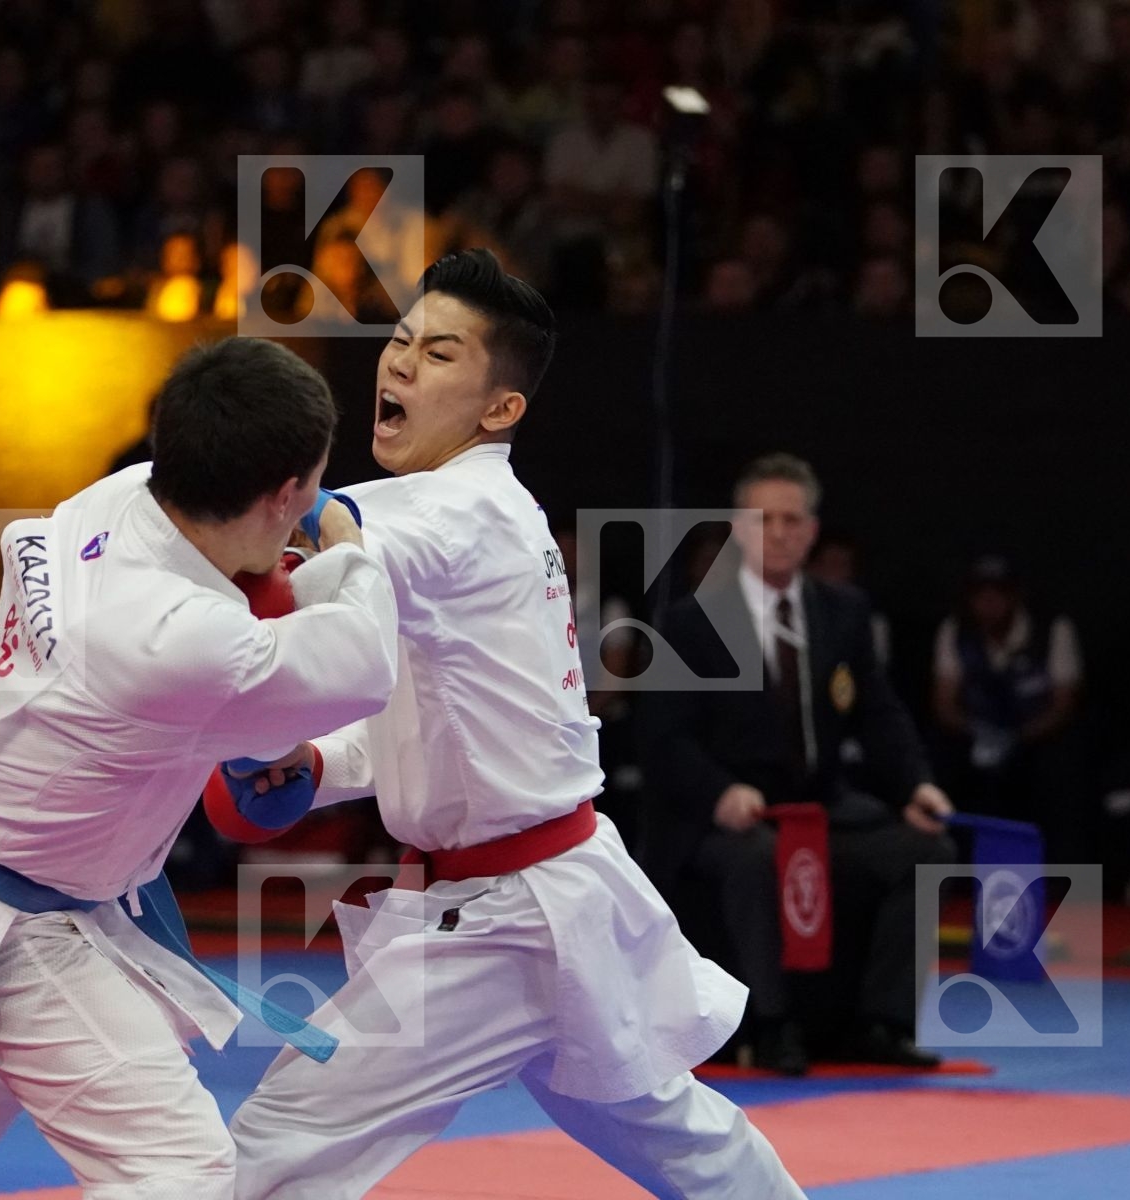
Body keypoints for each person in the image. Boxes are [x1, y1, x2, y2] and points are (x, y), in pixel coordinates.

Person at [223, 250, 805, 1199]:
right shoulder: (487, 509)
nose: (400, 365)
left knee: (280, 1141)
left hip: (505, 916)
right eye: (400, 341)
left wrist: (199, 494)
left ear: (501, 408)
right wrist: (316, 761)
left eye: (440, 354)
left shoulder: (454, 510)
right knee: (676, 1131)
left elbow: (324, 531)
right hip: (544, 893)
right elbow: (444, 717)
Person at [0, 337, 401, 1200]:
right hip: (19, 919)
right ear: (282, 496)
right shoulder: (183, 639)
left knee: (3, 1064)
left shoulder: (116, 498)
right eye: (307, 484)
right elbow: (366, 661)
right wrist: (343, 540)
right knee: (180, 1169)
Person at [639, 453, 957, 1075]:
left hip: (819, 809)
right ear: (738, 528)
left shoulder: (844, 612)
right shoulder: (691, 622)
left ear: (812, 530)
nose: (779, 533)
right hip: (726, 819)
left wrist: (916, 784)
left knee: (926, 851)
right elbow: (663, 741)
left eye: (792, 520)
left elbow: (881, 714)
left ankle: (883, 1022)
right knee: (758, 856)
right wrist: (721, 792)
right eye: (764, 519)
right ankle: (773, 1022)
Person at [930, 554, 1087, 861]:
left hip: (1036, 734)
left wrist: (1017, 738)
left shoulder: (1053, 629)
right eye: (981, 595)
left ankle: (1062, 876)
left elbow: (1064, 704)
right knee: (939, 765)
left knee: (1064, 768)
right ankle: (950, 871)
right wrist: (978, 733)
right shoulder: (955, 630)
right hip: (975, 733)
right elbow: (944, 704)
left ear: (1016, 596)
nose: (989, 604)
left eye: (998, 594)